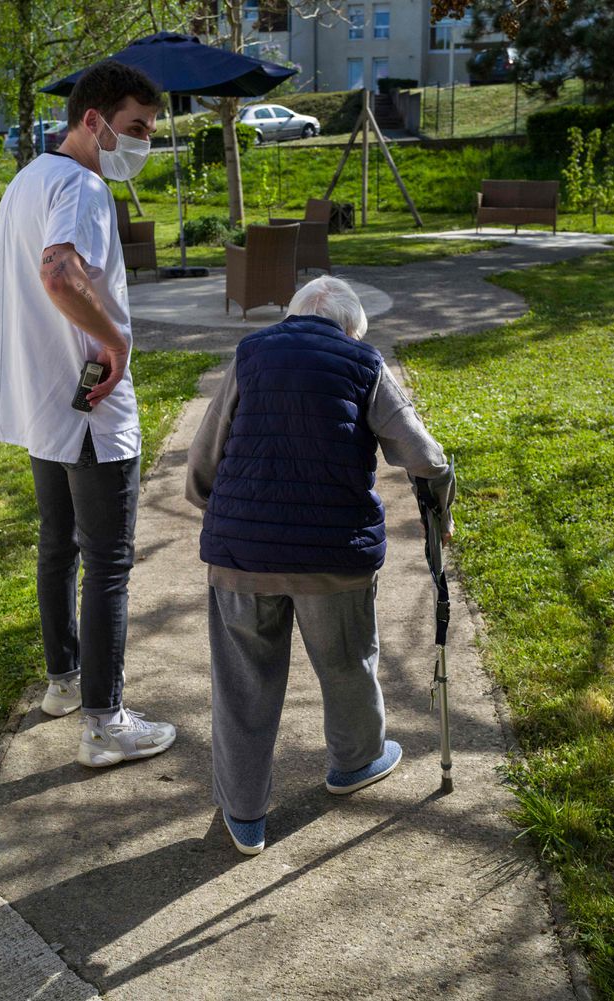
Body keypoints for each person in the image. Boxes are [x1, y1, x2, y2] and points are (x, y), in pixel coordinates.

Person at [185, 276, 455, 855]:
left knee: (242, 685)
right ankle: (355, 762)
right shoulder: (364, 362)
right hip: (333, 557)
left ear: (292, 317)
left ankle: (244, 814)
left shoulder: (250, 354)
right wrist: (441, 516)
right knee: (347, 662)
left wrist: (220, 507)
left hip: (241, 557)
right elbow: (426, 459)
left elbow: (206, 453)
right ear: (353, 327)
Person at [0, 61, 177, 768]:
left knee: (58, 545)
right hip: (91, 405)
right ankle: (106, 721)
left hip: (44, 405)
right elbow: (59, 271)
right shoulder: (84, 185)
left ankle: (64, 682)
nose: (142, 143)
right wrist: (117, 340)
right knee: (110, 562)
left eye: (149, 131)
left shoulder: (27, 181)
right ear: (93, 121)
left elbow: (51, 273)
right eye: (135, 128)